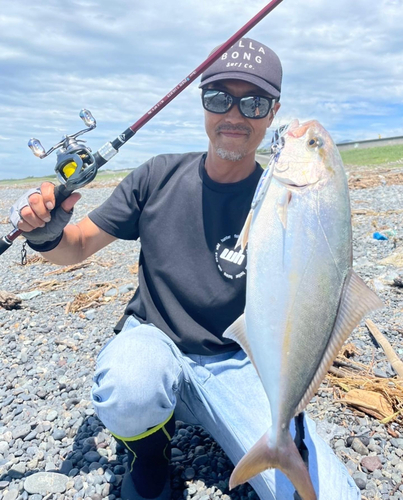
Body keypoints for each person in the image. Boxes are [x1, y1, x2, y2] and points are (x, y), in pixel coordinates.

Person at [10, 38, 360, 500]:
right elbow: (76, 248)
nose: (235, 115)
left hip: (240, 362)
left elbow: (320, 278)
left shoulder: (280, 197)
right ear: (202, 103)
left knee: (334, 496)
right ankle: (150, 460)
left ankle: (262, 432)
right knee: (130, 385)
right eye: (219, 98)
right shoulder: (157, 175)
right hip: (155, 345)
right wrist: (44, 233)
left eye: (254, 103)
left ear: (272, 113)